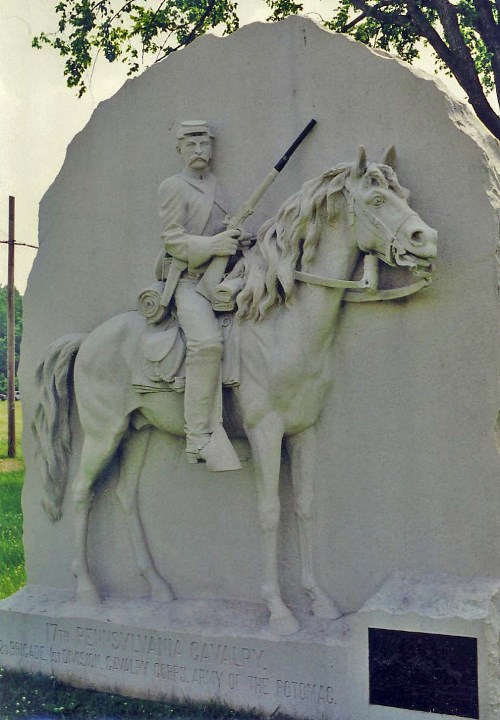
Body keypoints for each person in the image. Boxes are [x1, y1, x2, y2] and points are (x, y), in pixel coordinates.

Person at [158, 120, 245, 468]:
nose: (198, 152)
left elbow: (221, 234)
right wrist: (212, 244)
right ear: (179, 148)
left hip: (221, 278)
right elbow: (172, 239)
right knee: (207, 344)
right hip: (189, 282)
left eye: (204, 145)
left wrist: (237, 239)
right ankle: (197, 438)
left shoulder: (217, 187)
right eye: (191, 145)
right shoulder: (173, 187)